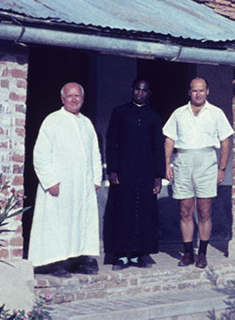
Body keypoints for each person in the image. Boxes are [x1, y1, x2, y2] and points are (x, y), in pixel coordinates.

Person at [28, 82, 102, 277]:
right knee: (57, 223)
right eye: (70, 96)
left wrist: (96, 179)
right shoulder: (52, 120)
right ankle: (56, 263)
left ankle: (78, 260)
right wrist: (50, 180)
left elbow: (95, 152)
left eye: (78, 96)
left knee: (81, 222)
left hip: (83, 185)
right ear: (62, 99)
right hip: (59, 185)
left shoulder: (86, 123)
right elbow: (41, 154)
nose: (74, 99)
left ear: (83, 99)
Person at [163, 77, 233, 269]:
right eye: (195, 90)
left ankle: (202, 253)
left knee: (204, 211)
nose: (198, 94)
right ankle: (187, 254)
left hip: (206, 163)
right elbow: (169, 139)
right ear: (189, 92)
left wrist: (222, 168)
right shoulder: (179, 113)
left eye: (202, 90)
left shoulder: (216, 113)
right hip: (183, 162)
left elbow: (226, 140)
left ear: (207, 91)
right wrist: (167, 164)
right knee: (185, 210)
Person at [102, 78, 166, 271]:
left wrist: (158, 176)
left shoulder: (154, 117)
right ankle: (121, 255)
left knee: (144, 212)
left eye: (144, 91)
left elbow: (158, 147)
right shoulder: (120, 113)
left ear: (149, 94)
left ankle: (139, 254)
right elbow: (111, 141)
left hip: (146, 172)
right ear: (132, 90)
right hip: (124, 171)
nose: (140, 93)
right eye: (137, 89)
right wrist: (112, 170)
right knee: (122, 211)